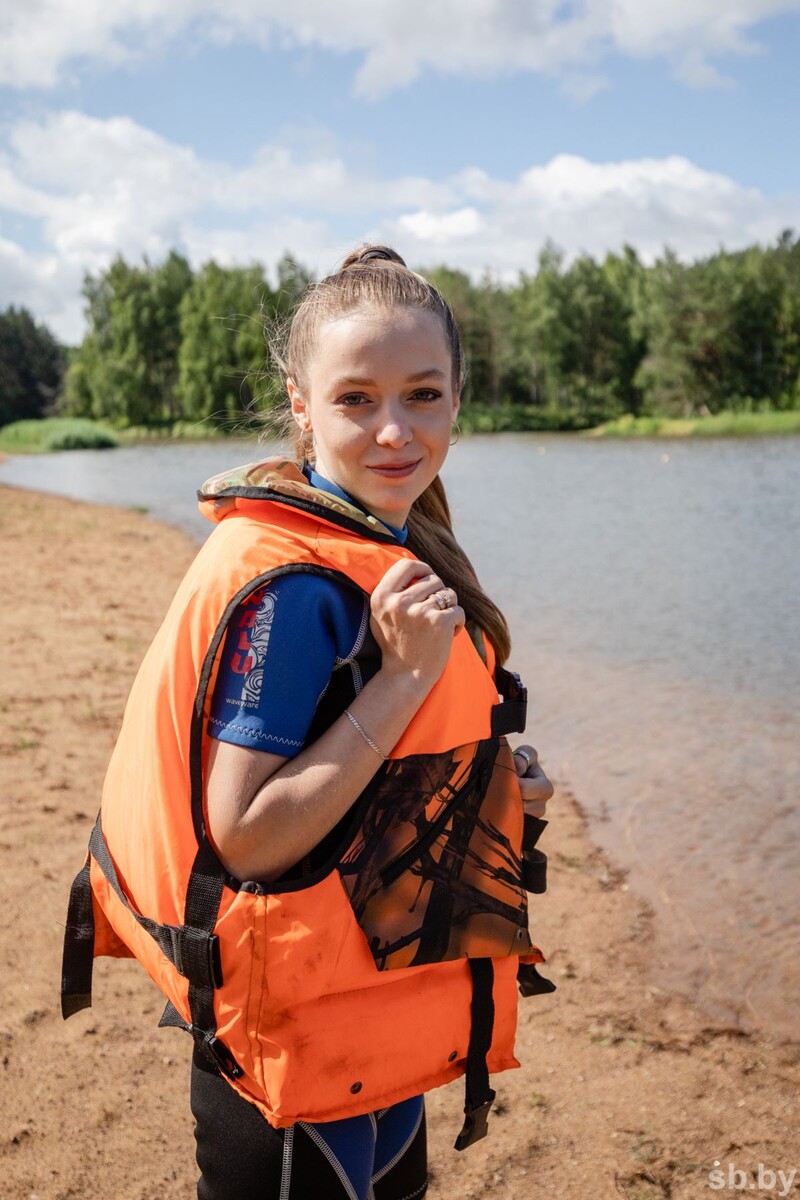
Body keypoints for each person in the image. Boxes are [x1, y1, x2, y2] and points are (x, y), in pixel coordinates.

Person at [61, 245, 555, 1200]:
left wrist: (500, 786)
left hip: (369, 1020)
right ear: (301, 405)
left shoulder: (390, 539)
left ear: (460, 397)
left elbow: (382, 773)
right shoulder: (297, 592)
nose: (393, 430)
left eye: (422, 395)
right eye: (356, 400)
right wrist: (405, 680)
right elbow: (246, 837)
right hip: (294, 1050)